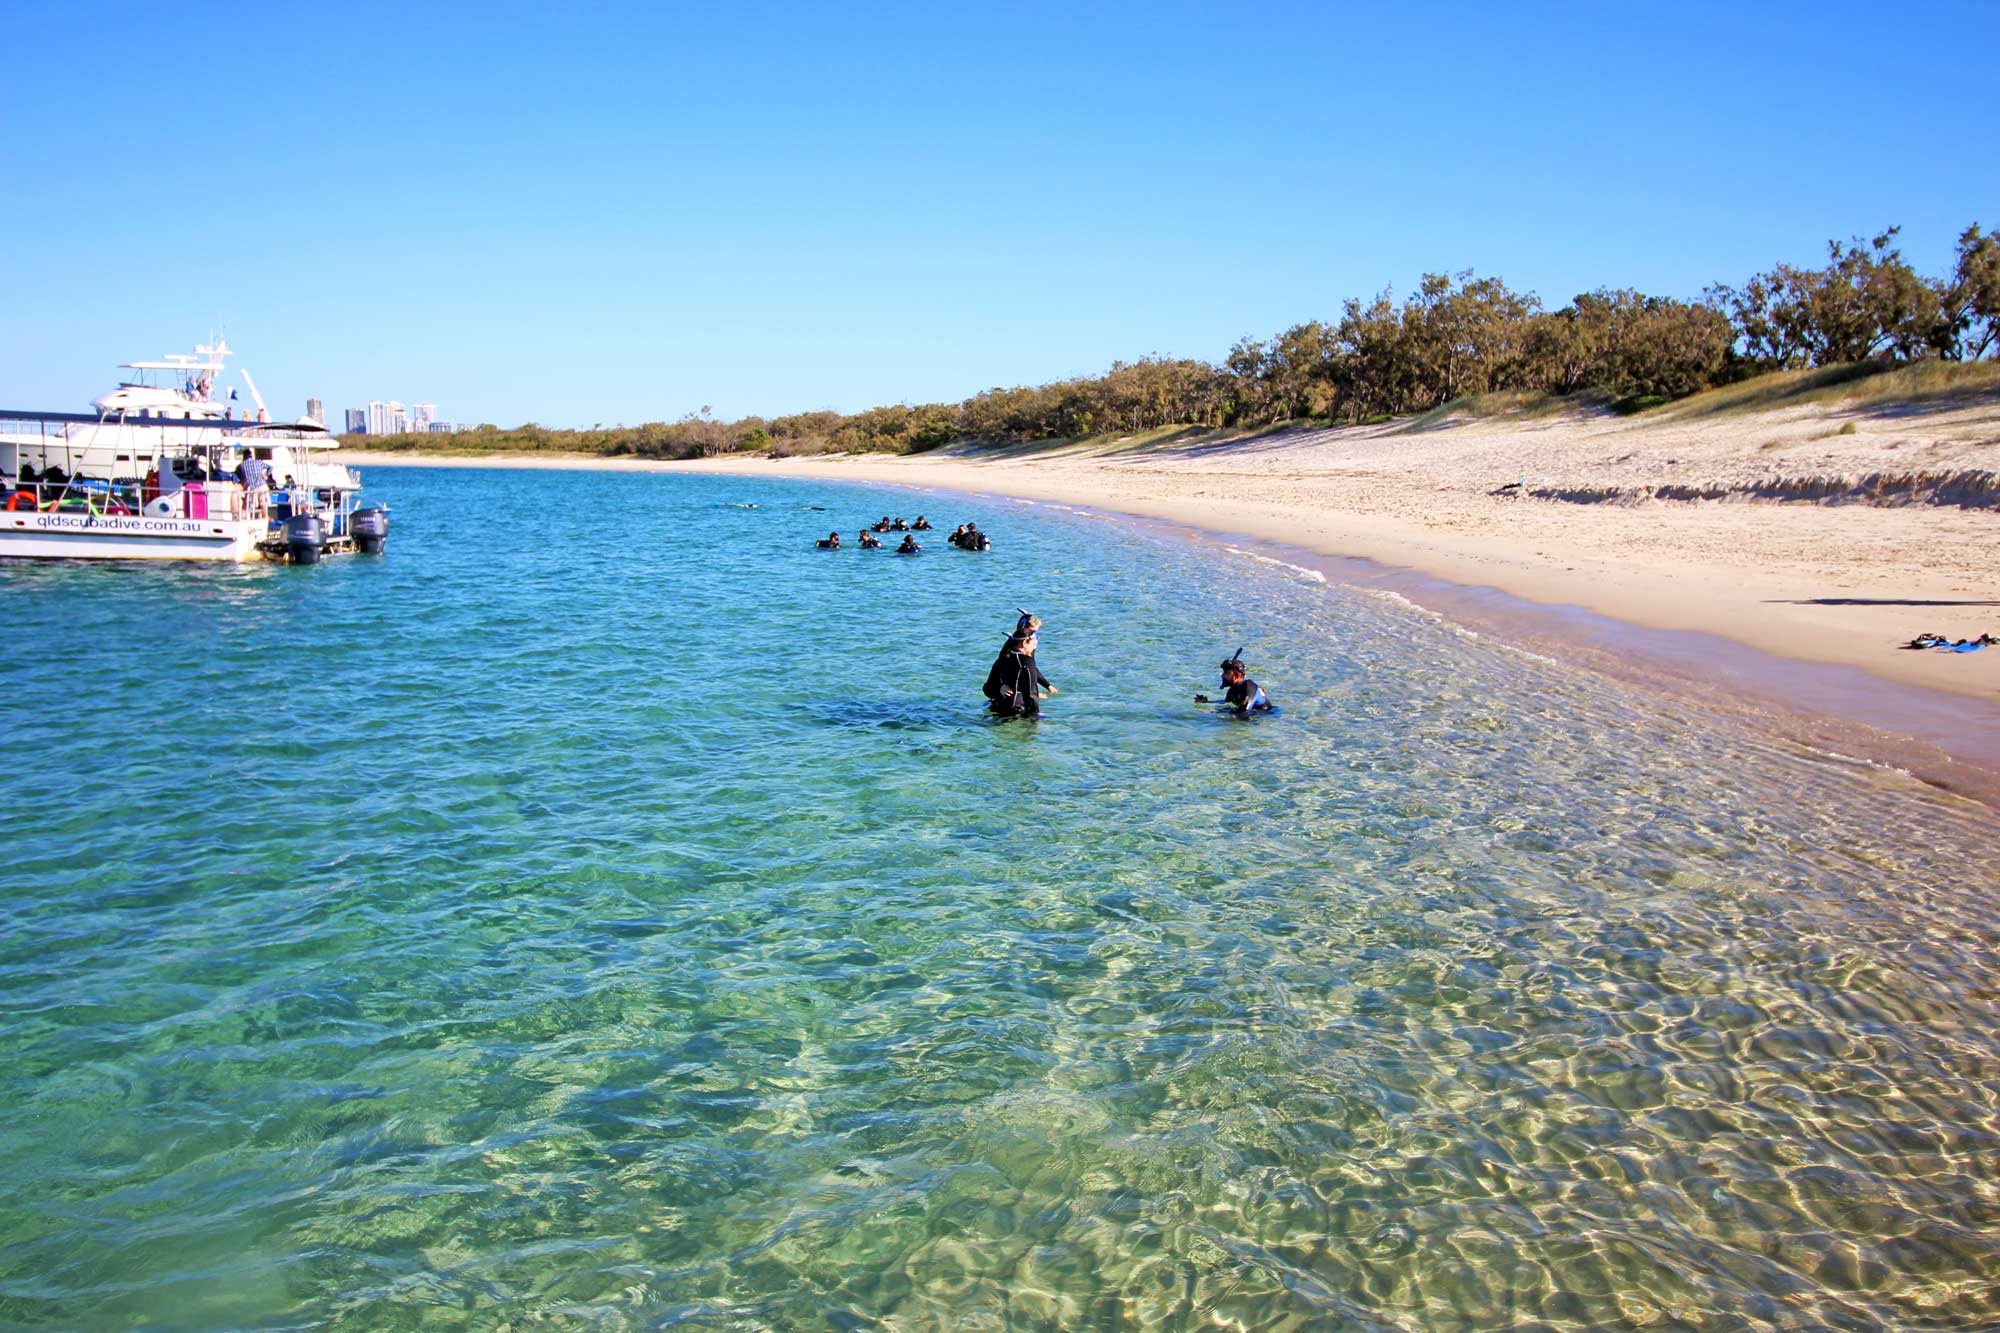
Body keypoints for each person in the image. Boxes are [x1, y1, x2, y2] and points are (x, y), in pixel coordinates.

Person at [984, 613, 1055, 717]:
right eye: (1033, 633)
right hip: (1014, 707)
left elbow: (1028, 673)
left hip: (1001, 704)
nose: (1036, 640)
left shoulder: (1017, 651)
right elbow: (1027, 674)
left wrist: (1047, 685)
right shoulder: (1019, 654)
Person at [1197, 651, 1272, 715]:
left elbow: (1244, 710)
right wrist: (1207, 702)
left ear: (1237, 675)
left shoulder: (1249, 686)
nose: (1222, 675)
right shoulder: (1232, 691)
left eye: (1226, 673)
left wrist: (1215, 712)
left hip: (1266, 716)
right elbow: (1226, 703)